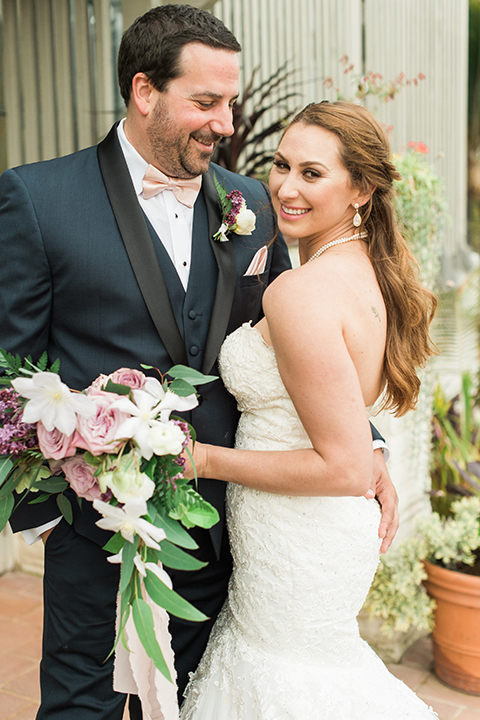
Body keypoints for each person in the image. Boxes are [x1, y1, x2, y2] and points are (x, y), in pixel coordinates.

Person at [0, 5, 396, 718]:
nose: (226, 122)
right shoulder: (38, 199)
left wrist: (368, 444)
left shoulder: (252, 204)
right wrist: (45, 517)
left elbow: (302, 360)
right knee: (78, 706)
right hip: (92, 524)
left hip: (221, 533)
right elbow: (12, 371)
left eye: (232, 102)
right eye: (206, 102)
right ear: (146, 91)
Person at [179, 102, 438, 719]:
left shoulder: (300, 290)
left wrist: (201, 460)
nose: (286, 189)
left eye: (312, 174)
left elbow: (343, 467)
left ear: (362, 189)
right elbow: (342, 420)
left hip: (296, 537)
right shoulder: (371, 272)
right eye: (280, 165)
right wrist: (368, 448)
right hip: (312, 535)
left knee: (287, 683)